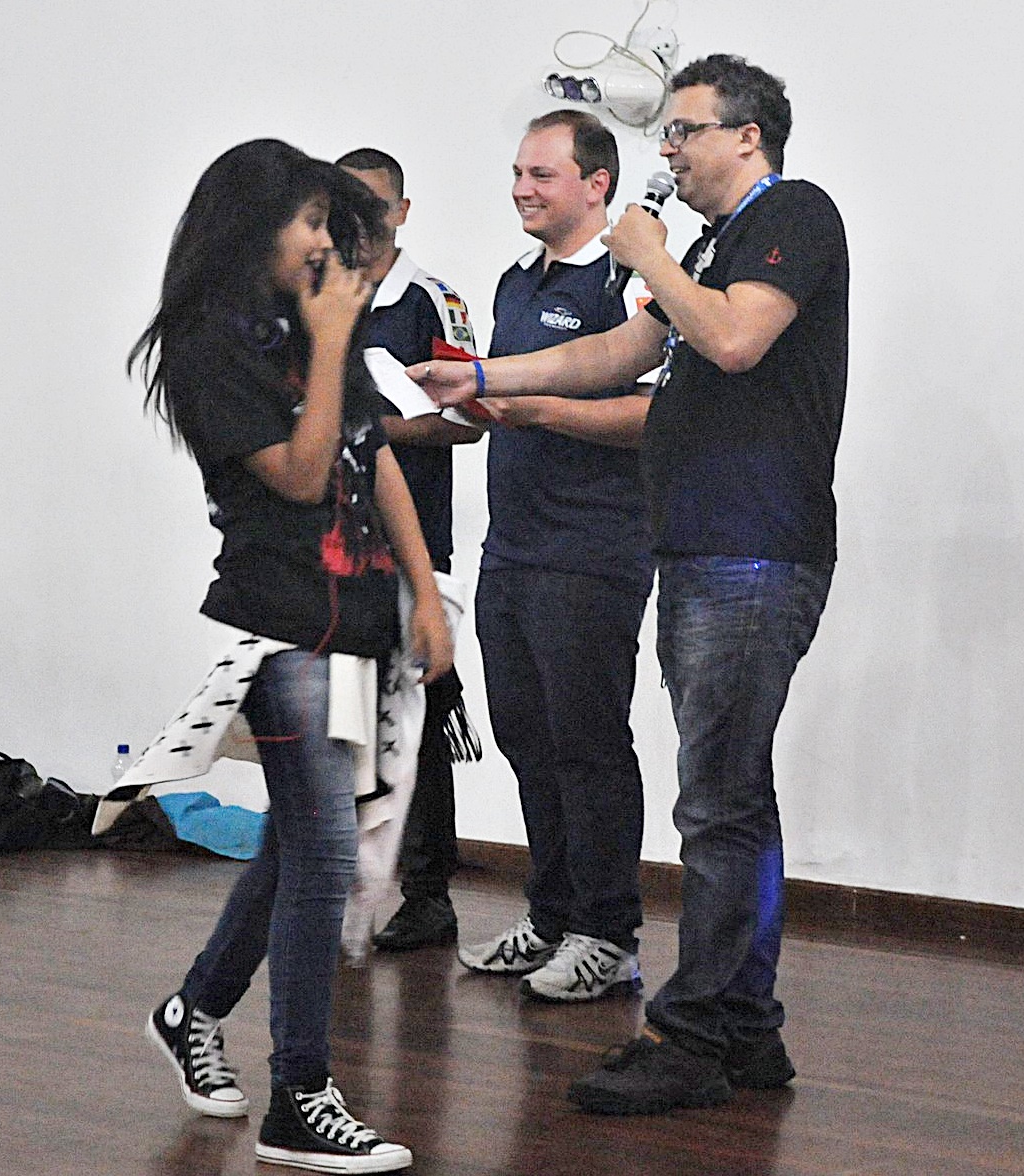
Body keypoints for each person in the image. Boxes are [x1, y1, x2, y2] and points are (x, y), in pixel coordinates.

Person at [414, 55, 848, 1114]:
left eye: (685, 131)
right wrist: (483, 376)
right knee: (730, 793)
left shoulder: (793, 214)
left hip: (753, 548)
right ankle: (743, 1027)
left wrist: (648, 253)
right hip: (698, 547)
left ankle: (693, 1035)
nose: (670, 150)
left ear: (747, 137)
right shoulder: (704, 247)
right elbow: (614, 352)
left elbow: (734, 341)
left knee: (716, 801)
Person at [128, 139, 452, 1173]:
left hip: (357, 618)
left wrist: (422, 594)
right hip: (281, 629)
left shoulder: (305, 327)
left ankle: (192, 1009)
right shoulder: (210, 347)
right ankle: (298, 1097)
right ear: (251, 227)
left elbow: (370, 455)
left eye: (326, 222)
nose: (321, 241)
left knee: (297, 844)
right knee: (321, 853)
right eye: (307, 222)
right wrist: (330, 337)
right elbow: (306, 476)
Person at [448, 110, 657, 1005]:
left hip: (592, 550)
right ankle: (552, 914)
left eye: (542, 175)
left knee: (587, 745)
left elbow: (655, 415)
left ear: (596, 183)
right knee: (526, 739)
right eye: (516, 173)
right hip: (512, 548)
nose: (521, 190)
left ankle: (607, 936)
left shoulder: (630, 280)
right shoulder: (512, 282)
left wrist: (535, 410)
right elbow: (498, 402)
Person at [334, 147, 483, 954]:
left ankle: (427, 893)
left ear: (401, 211)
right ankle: (338, 883)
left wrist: (370, 428)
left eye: (372, 202)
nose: (357, 218)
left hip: (414, 544)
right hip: (331, 546)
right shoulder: (318, 290)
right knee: (337, 718)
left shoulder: (431, 300)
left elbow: (467, 421)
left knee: (418, 718)